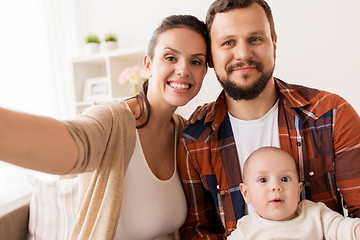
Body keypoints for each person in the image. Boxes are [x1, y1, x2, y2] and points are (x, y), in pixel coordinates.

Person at [0, 14, 208, 240]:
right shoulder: (111, 120)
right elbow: (71, 143)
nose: (183, 70)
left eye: (195, 61)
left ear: (204, 72)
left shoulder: (183, 132)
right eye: (170, 57)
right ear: (148, 65)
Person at [177, 0, 360, 238]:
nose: (243, 54)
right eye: (228, 42)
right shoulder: (195, 141)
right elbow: (199, 232)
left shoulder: (331, 115)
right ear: (210, 57)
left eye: (255, 39)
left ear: (273, 44)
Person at [227, 146, 360, 239]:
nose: (276, 186)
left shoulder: (314, 214)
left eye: (285, 179)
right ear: (246, 193)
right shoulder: (246, 229)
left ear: (298, 190)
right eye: (263, 180)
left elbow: (342, 229)